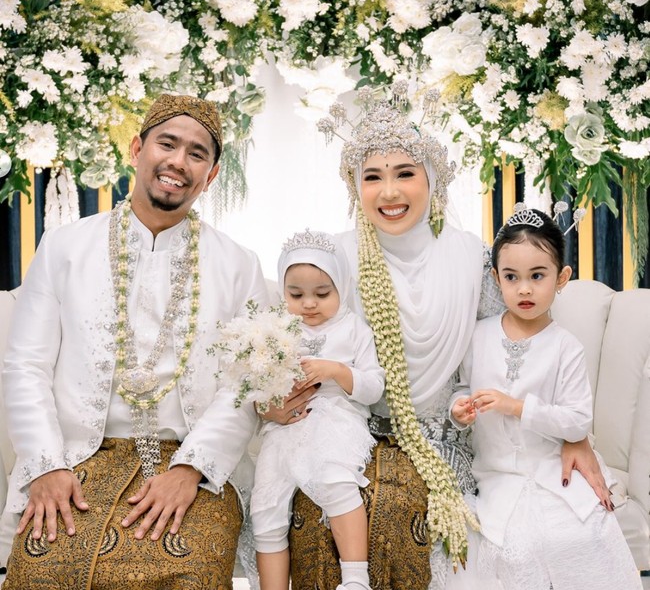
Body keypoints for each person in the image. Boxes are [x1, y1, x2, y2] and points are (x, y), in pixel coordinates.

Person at [280, 86, 611, 590]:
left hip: (442, 437)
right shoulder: (334, 258)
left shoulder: (469, 257)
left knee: (399, 519)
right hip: (343, 425)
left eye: (405, 174)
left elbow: (515, 340)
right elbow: (295, 339)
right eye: (372, 177)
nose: (389, 192)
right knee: (315, 514)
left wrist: (575, 435)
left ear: (432, 182)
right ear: (354, 186)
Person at [0, 94, 269, 589]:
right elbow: (25, 366)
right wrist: (45, 467)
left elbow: (246, 385)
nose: (178, 162)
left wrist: (191, 470)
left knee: (185, 568)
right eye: (167, 144)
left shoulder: (238, 264)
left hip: (188, 465)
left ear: (210, 176)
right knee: (43, 568)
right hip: (76, 458)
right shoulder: (65, 247)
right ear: (136, 148)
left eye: (197, 154)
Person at [450, 206, 641, 589]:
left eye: (537, 276)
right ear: (496, 278)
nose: (524, 288)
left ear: (561, 278)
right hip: (497, 473)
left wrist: (516, 406)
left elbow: (575, 422)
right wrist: (460, 409)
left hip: (552, 470)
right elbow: (461, 388)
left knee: (579, 534)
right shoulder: (477, 335)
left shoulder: (564, 347)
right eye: (511, 277)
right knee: (506, 544)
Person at [251, 229, 384, 590]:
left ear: (341, 287)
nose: (309, 304)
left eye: (322, 294)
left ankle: (356, 580)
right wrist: (274, 395)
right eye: (296, 295)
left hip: (336, 419)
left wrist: (336, 371)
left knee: (336, 479)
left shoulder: (354, 329)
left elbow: (374, 387)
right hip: (284, 428)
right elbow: (258, 388)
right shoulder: (279, 329)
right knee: (265, 505)